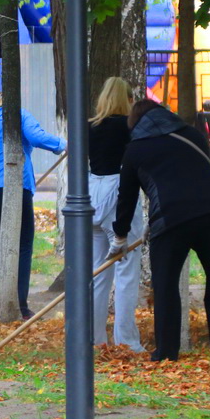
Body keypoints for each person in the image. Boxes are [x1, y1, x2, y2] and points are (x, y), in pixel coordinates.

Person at [111, 99, 210, 361]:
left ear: (135, 123)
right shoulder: (192, 134)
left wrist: (120, 236)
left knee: (166, 285)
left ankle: (167, 352)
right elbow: (194, 173)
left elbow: (126, 198)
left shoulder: (135, 150)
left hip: (170, 221)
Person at [0, 91, 65, 320]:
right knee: (23, 246)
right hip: (13, 188)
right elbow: (36, 137)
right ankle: (20, 307)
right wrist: (64, 144)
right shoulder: (17, 114)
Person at [88, 77, 145, 351]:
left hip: (91, 194)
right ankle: (126, 341)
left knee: (99, 273)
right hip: (119, 195)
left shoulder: (90, 127)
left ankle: (95, 339)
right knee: (126, 271)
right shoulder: (129, 127)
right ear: (128, 100)